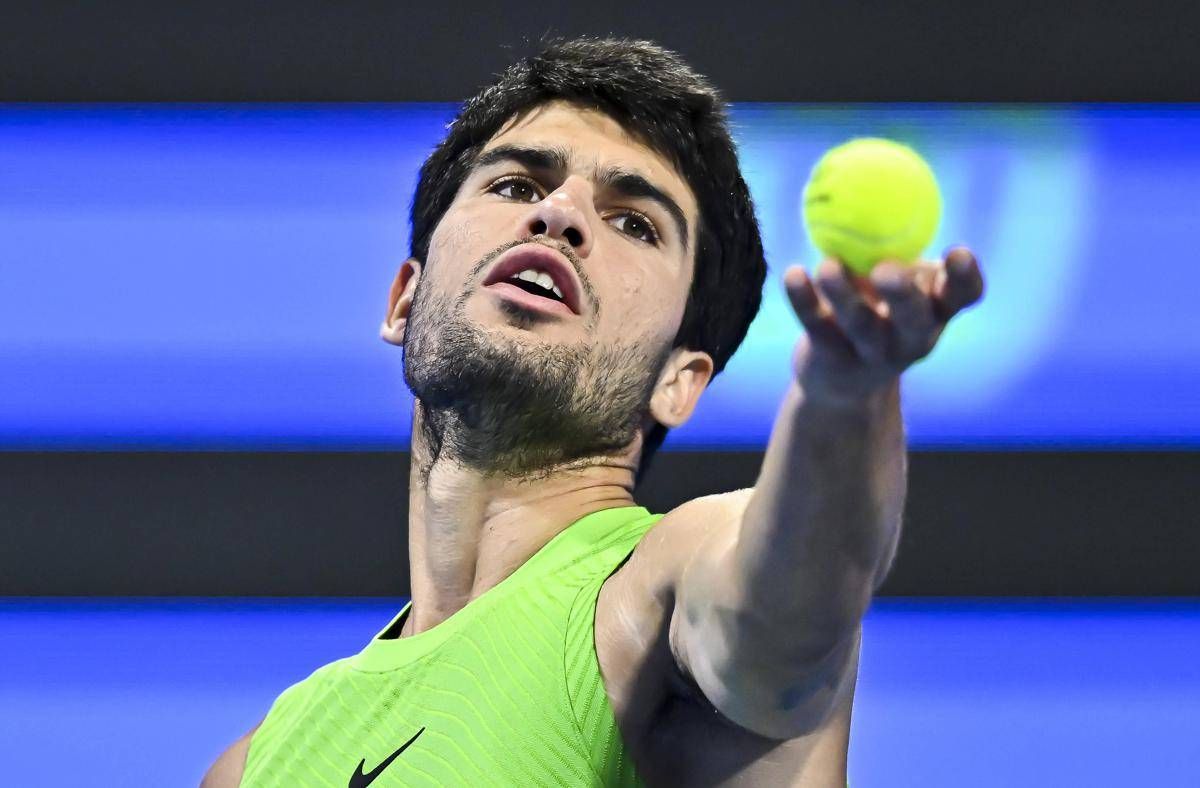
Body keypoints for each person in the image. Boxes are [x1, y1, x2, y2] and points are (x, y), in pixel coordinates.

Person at [203, 37, 983, 787]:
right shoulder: (257, 766)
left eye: (635, 222)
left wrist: (844, 396)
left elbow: (786, 624)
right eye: (516, 185)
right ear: (405, 300)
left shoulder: (661, 591)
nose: (561, 212)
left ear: (679, 381)